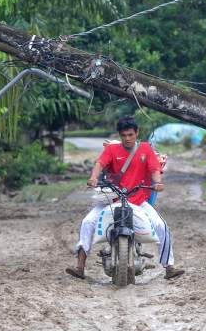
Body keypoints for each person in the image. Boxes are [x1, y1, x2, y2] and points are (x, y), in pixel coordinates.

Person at [66, 116, 185, 280]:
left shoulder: (146, 149)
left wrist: (158, 182)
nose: (127, 138)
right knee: (87, 222)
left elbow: (154, 169)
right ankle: (80, 267)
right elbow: (100, 164)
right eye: (123, 135)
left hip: (138, 200)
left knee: (161, 225)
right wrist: (93, 178)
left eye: (130, 134)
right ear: (119, 135)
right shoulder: (111, 150)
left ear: (137, 133)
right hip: (112, 199)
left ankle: (169, 267)